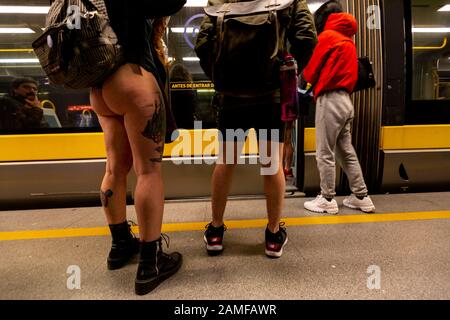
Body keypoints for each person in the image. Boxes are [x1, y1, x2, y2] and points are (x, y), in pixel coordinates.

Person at [195, 0, 317, 258]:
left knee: (225, 162)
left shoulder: (220, 0)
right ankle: (273, 236)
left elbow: (203, 43)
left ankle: (215, 232)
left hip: (231, 98)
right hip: (270, 96)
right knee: (271, 164)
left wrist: (221, 78)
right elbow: (307, 37)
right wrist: (286, 70)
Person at [89, 0, 186, 295]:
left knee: (115, 166)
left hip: (99, 85)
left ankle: (120, 246)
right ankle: (150, 262)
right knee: (148, 172)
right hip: (133, 78)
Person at [302, 1, 376, 215]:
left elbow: (309, 71)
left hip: (330, 99)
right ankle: (361, 196)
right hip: (346, 101)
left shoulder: (327, 37)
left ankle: (326, 198)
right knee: (346, 151)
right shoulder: (348, 40)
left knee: (324, 151)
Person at [169, 63, 198, 129]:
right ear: (186, 74)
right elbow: (194, 106)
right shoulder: (189, 87)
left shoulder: (168, 86)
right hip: (188, 120)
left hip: (174, 120)